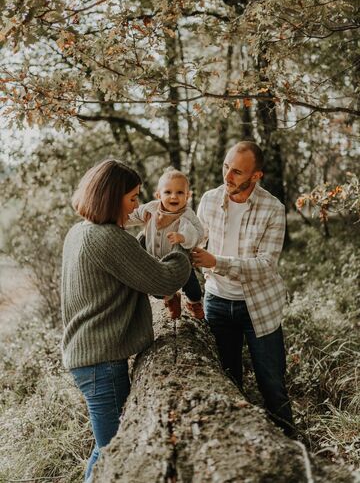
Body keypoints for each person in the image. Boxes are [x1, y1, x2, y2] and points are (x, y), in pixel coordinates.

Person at [61, 159, 191, 482]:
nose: (137, 206)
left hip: (87, 358)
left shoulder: (79, 232)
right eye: (132, 198)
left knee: (105, 448)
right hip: (100, 364)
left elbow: (128, 266)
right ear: (111, 197)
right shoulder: (107, 238)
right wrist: (184, 252)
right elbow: (161, 279)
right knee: (112, 451)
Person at [191, 141, 295, 437]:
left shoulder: (273, 209)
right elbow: (196, 243)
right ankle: (238, 445)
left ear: (256, 176)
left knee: (272, 384)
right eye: (226, 166)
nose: (228, 176)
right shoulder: (210, 200)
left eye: (237, 171)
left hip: (259, 306)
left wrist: (217, 262)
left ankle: (293, 446)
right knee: (228, 381)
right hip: (217, 304)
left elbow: (265, 265)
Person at [128, 168, 204, 320]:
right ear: (158, 195)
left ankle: (193, 303)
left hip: (180, 263)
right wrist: (118, 220)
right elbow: (133, 215)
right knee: (157, 291)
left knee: (193, 288)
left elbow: (199, 233)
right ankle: (170, 299)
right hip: (155, 261)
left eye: (180, 192)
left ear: (187, 196)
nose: (174, 196)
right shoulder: (151, 208)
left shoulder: (187, 214)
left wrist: (183, 237)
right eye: (168, 192)